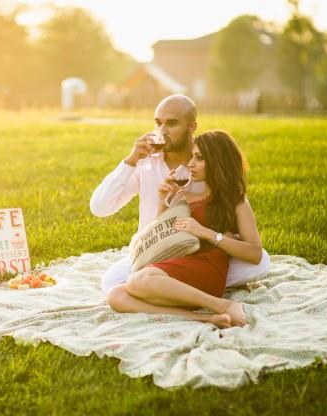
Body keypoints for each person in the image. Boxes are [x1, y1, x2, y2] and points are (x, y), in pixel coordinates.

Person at [90, 94, 270, 296]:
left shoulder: (209, 163)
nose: (162, 131)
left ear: (191, 127)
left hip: (203, 254)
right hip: (155, 251)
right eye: (158, 123)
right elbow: (99, 208)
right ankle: (181, 286)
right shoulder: (145, 163)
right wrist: (131, 161)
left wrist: (214, 237)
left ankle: (167, 289)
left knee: (261, 262)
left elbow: (237, 221)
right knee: (111, 285)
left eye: (171, 124)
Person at [106, 130, 260, 328]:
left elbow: (255, 253)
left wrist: (207, 233)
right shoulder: (184, 196)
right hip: (179, 263)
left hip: (207, 267)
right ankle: (205, 318)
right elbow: (163, 236)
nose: (191, 164)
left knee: (137, 281)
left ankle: (222, 304)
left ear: (218, 161)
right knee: (115, 295)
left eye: (200, 158)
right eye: (192, 157)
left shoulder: (235, 200)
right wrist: (163, 199)